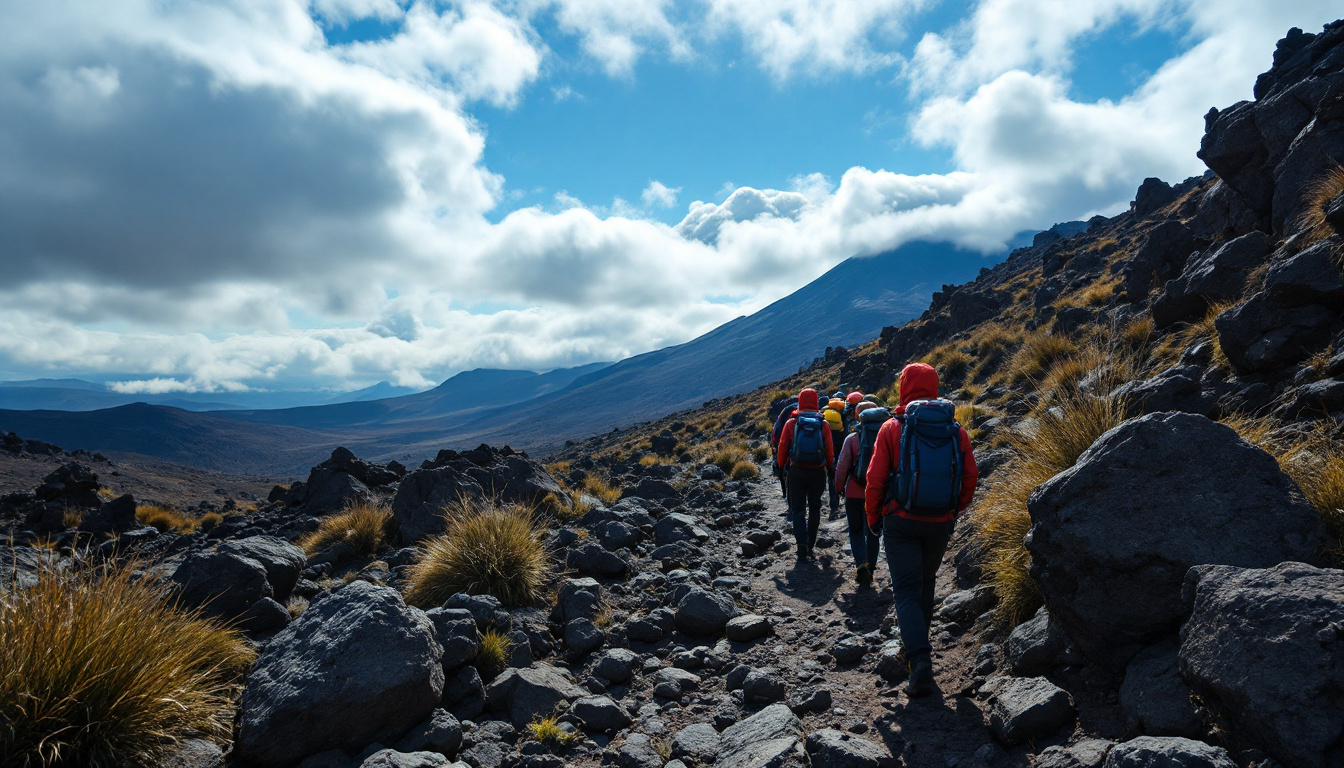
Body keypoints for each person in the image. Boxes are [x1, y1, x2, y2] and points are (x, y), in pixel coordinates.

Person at [865, 363, 977, 697]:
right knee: (925, 584)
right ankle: (918, 652)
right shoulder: (955, 429)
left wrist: (874, 518)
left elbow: (875, 480)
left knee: (904, 589)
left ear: (904, 388)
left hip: (900, 521)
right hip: (939, 522)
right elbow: (970, 476)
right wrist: (952, 509)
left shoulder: (890, 427)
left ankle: (920, 658)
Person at [776, 388, 835, 562]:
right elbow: (829, 448)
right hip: (817, 471)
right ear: (816, 402)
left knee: (798, 509)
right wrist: (830, 467)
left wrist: (780, 466)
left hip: (797, 471)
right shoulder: (823, 424)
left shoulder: (792, 423)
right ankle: (811, 544)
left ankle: (801, 546)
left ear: (800, 401)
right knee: (815, 507)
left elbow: (783, 447)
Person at [833, 400, 882, 586]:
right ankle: (871, 568)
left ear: (859, 416)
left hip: (854, 492)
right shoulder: (886, 435)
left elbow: (842, 467)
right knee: (873, 533)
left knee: (855, 531)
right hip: (877, 494)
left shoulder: (852, 439)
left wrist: (839, 488)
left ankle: (862, 565)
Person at [770, 397, 798, 499]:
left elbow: (776, 431)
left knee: (782, 469)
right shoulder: (808, 413)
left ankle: (785, 494)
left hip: (786, 446)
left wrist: (775, 446)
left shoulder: (785, 413)